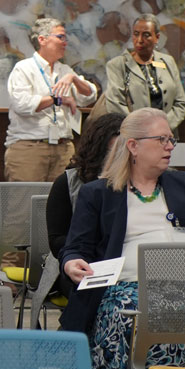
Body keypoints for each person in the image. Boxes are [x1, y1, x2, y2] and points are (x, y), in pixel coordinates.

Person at [60, 108, 185, 369]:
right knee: (129, 317)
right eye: (161, 140)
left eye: (171, 140)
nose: (170, 147)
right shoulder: (98, 193)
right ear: (133, 146)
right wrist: (72, 263)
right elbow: (75, 247)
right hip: (127, 288)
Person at [5, 17, 97, 182]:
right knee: (26, 198)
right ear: (42, 39)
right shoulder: (24, 68)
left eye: (65, 38)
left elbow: (90, 95)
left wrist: (74, 79)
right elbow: (22, 105)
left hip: (63, 148)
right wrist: (57, 99)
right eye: (60, 37)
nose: (65, 43)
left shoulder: (65, 70)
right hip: (30, 148)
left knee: (62, 197)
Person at [46, 112, 124, 299]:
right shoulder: (68, 182)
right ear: (98, 149)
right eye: (113, 152)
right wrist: (96, 249)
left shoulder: (137, 183)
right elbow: (56, 241)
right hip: (80, 262)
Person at [102, 14, 185, 132]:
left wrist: (162, 127)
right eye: (136, 34)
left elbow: (180, 103)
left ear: (157, 37)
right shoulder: (117, 65)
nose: (140, 40)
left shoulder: (168, 62)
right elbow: (115, 105)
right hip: (134, 135)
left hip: (166, 134)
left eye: (146, 35)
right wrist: (142, 131)